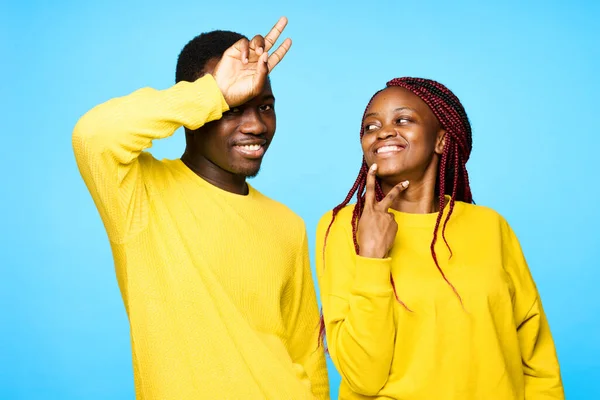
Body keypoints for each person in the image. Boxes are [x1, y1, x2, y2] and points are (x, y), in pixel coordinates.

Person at [73, 17, 329, 399]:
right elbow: (94, 135)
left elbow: (306, 352)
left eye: (265, 106)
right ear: (198, 109)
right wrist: (211, 94)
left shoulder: (288, 224)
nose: (256, 125)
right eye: (233, 107)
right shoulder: (141, 195)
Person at [316, 77, 564, 399]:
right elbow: (363, 377)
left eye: (402, 120)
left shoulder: (489, 227)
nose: (383, 132)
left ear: (441, 141)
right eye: (370, 127)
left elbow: (536, 356)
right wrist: (372, 257)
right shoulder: (343, 227)